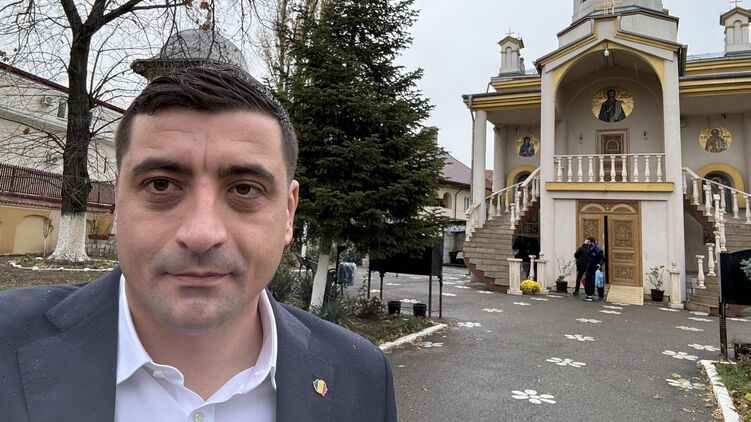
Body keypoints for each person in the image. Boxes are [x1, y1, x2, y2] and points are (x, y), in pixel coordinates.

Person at [0, 66, 396, 421]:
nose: (202, 234)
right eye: (161, 185)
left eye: (245, 189)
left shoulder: (362, 378)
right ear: (119, 200)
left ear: (288, 213)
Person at [583, 236, 605, 301]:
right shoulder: (588, 248)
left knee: (599, 281)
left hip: (596, 268)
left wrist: (599, 264)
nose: (587, 243)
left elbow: (602, 259)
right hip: (589, 267)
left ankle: (601, 295)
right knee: (587, 280)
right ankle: (589, 294)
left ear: (592, 242)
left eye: (588, 242)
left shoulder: (598, 250)